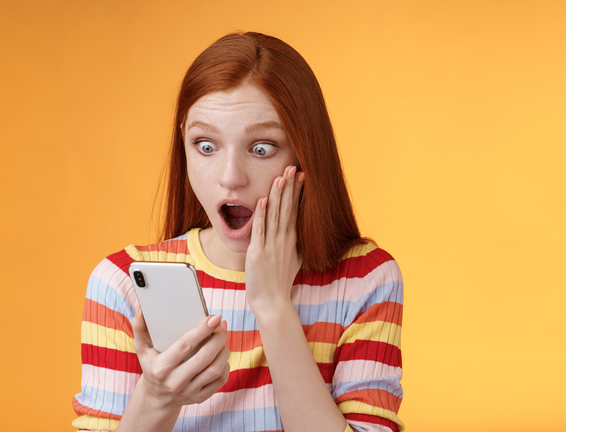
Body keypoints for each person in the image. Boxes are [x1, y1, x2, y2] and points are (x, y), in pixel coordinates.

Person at [71, 31, 404, 432]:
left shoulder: (366, 279)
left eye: (261, 148)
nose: (230, 178)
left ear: (304, 152)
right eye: (206, 145)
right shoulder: (122, 283)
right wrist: (158, 396)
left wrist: (273, 306)